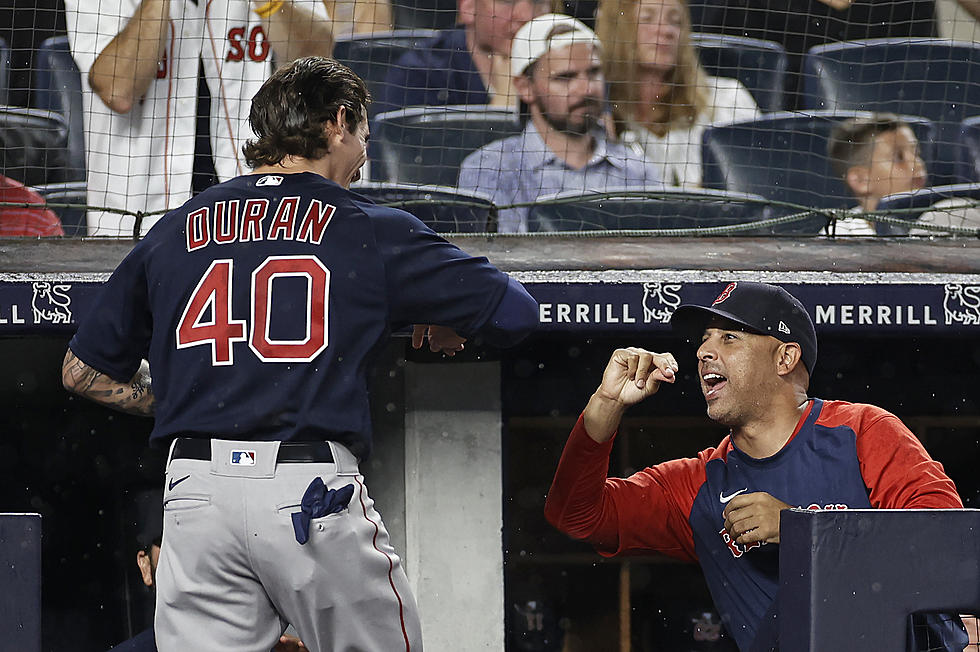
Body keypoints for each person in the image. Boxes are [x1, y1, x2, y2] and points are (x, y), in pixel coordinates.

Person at [62, 56, 538, 651]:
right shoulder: (366, 225)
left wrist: (198, 398)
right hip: (305, 490)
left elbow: (80, 371)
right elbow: (516, 313)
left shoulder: (173, 226)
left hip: (193, 494)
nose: (365, 153)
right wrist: (443, 321)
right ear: (339, 122)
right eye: (364, 133)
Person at [544, 280, 968, 651]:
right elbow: (577, 516)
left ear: (785, 359)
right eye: (705, 340)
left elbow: (949, 549)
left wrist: (802, 530)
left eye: (730, 337)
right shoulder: (699, 485)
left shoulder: (862, 431)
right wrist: (605, 407)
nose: (704, 351)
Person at [63, 0, 334, 237]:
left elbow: (318, 61)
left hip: (255, 215)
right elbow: (117, 90)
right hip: (137, 219)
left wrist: (270, 4)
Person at [457, 13, 663, 233]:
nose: (586, 89)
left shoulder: (637, 171)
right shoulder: (490, 168)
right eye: (565, 77)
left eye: (593, 73)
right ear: (525, 87)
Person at [597, 0, 760, 187]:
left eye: (675, 21)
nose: (667, 31)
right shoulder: (598, 113)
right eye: (647, 19)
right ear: (617, 28)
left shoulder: (728, 99)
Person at [375, 0, 555, 115]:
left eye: (538, 1)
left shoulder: (570, 69)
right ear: (468, 7)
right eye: (506, 1)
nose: (527, 15)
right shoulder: (416, 75)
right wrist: (503, 100)